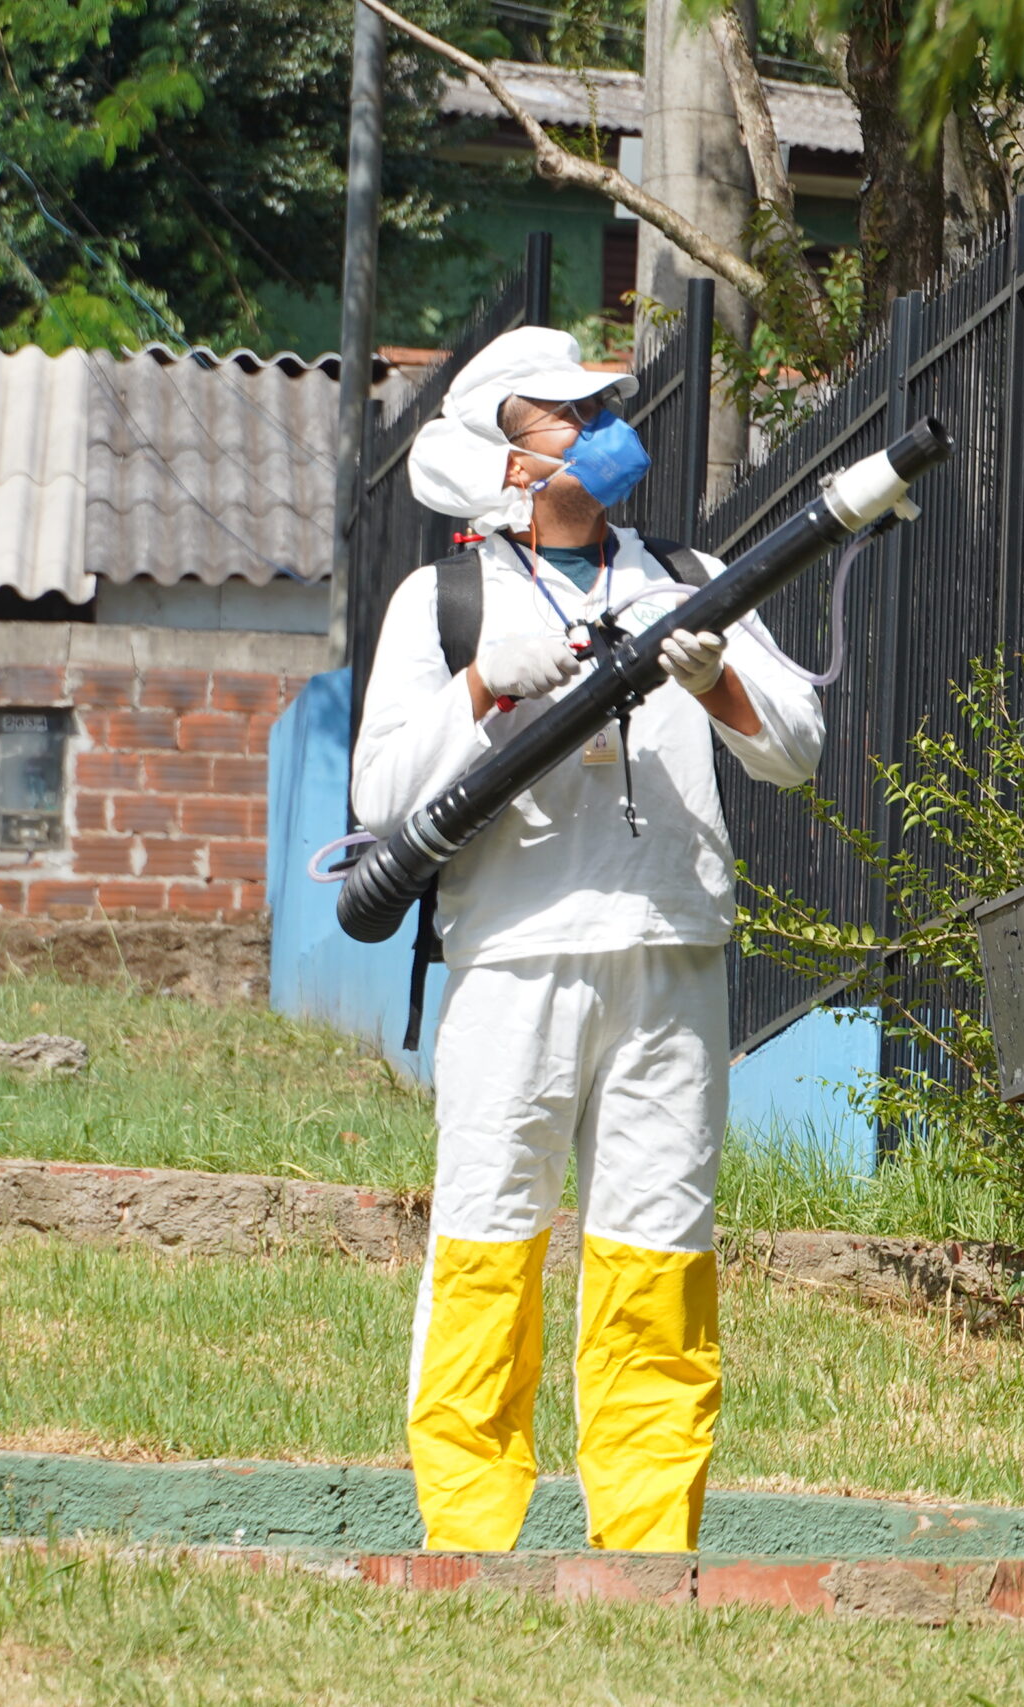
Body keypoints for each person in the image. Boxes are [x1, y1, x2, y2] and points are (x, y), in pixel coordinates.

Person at [353, 326, 823, 1553]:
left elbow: (797, 745)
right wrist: (480, 688)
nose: (605, 425)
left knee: (660, 1253)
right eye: (570, 414)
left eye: (606, 402)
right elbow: (382, 798)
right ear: (505, 453)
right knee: (487, 1241)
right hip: (514, 956)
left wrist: (718, 682)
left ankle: (650, 1544)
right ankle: (467, 1534)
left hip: (670, 950)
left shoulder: (685, 569)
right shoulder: (444, 599)